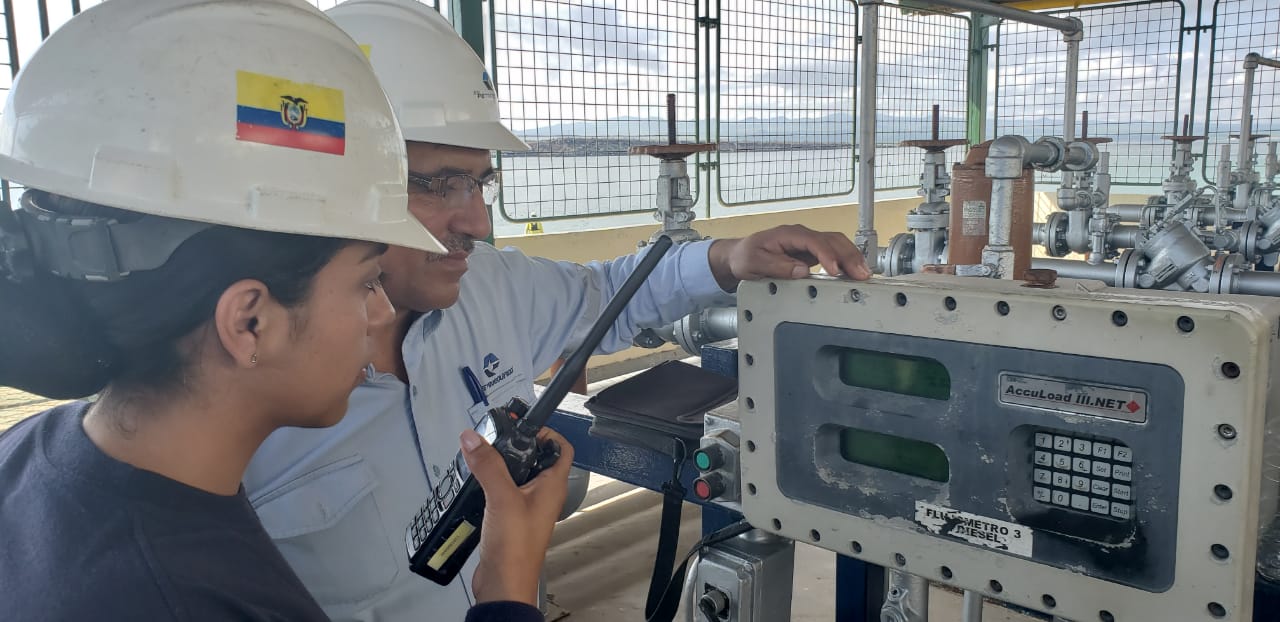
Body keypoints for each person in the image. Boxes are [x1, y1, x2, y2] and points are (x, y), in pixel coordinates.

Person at [243, 1, 872, 620]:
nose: (477, 222)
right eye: (439, 185)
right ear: (336, 181)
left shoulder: (488, 284)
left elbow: (605, 295)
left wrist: (731, 258)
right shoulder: (239, 391)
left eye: (481, 184)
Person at [0, 1, 570, 620]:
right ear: (250, 321)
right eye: (364, 283)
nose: (381, 316)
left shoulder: (31, 455)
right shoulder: (191, 598)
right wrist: (509, 592)